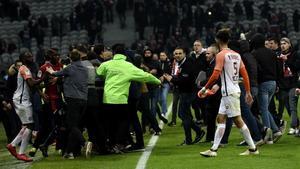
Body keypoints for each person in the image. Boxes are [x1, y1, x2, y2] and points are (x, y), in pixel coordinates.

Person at [199, 28, 258, 157]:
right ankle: (213, 150)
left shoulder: (221, 55)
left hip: (229, 92)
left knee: (238, 120)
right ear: (228, 39)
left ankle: (253, 148)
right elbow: (245, 74)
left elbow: (215, 74)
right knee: (220, 118)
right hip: (233, 91)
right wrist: (247, 91)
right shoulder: (236, 54)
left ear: (217, 40)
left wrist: (205, 88)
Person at [96, 43, 161, 153]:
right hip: (121, 99)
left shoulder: (107, 64)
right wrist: (158, 81)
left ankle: (112, 145)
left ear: (114, 53)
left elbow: (99, 73)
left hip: (107, 99)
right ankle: (119, 143)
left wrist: (107, 77)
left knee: (110, 122)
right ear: (125, 54)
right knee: (124, 121)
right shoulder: (128, 66)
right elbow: (145, 76)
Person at [6, 52, 44, 162]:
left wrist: (41, 91)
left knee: (26, 125)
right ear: (23, 59)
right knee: (30, 126)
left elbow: (32, 85)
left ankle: (12, 145)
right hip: (22, 100)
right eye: (28, 56)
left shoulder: (25, 68)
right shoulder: (24, 69)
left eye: (31, 56)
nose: (31, 57)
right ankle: (21, 152)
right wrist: (43, 78)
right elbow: (32, 84)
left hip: (22, 99)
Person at [164, 47, 205, 146]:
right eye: (176, 53)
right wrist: (173, 78)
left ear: (184, 54)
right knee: (184, 115)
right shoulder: (181, 63)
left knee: (184, 115)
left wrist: (171, 79)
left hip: (188, 92)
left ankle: (192, 137)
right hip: (185, 92)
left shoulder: (187, 64)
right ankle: (196, 134)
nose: (177, 55)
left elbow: (184, 80)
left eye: (179, 53)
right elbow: (181, 77)